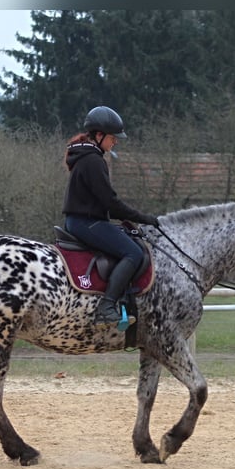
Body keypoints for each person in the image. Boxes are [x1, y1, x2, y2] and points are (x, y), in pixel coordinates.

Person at [62, 105, 159, 328]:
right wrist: (143, 218)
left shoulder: (85, 157)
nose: (114, 142)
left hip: (83, 221)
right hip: (86, 222)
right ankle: (106, 307)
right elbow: (111, 204)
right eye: (112, 138)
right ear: (99, 135)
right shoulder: (93, 161)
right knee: (133, 252)